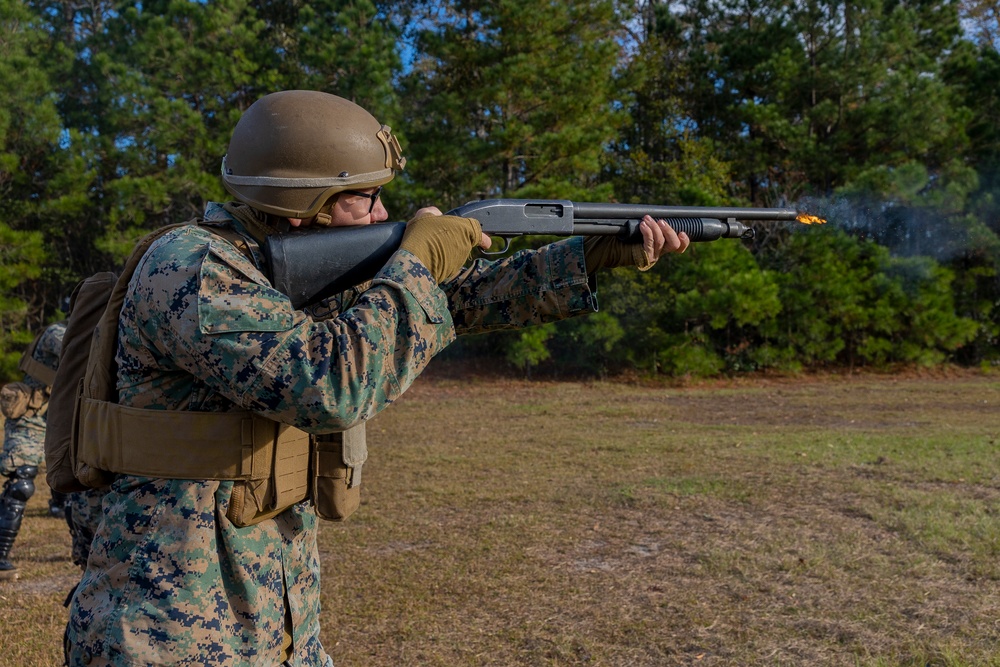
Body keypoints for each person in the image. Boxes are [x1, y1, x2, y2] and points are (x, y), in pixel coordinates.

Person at [64, 90, 689, 666]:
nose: (384, 211)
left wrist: (589, 255)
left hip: (271, 623)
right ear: (301, 201)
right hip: (167, 629)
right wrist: (416, 264)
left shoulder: (281, 268)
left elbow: (461, 298)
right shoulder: (195, 268)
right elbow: (331, 386)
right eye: (365, 197)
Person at [0, 319, 66, 581]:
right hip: (31, 415)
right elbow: (83, 352)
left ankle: (57, 506)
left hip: (59, 414)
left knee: (74, 471)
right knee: (21, 484)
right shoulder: (57, 333)